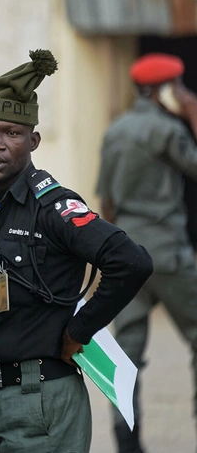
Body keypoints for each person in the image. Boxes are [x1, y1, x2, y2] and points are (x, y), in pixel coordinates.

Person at [0, 49, 152, 452]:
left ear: (33, 140)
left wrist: (80, 331)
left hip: (39, 401)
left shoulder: (53, 207)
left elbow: (131, 262)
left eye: (11, 133)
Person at [98, 53, 197, 453]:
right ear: (166, 90)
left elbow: (106, 202)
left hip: (128, 256)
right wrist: (192, 111)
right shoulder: (166, 129)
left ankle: (127, 443)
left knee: (126, 354)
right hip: (169, 255)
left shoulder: (116, 130)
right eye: (180, 87)